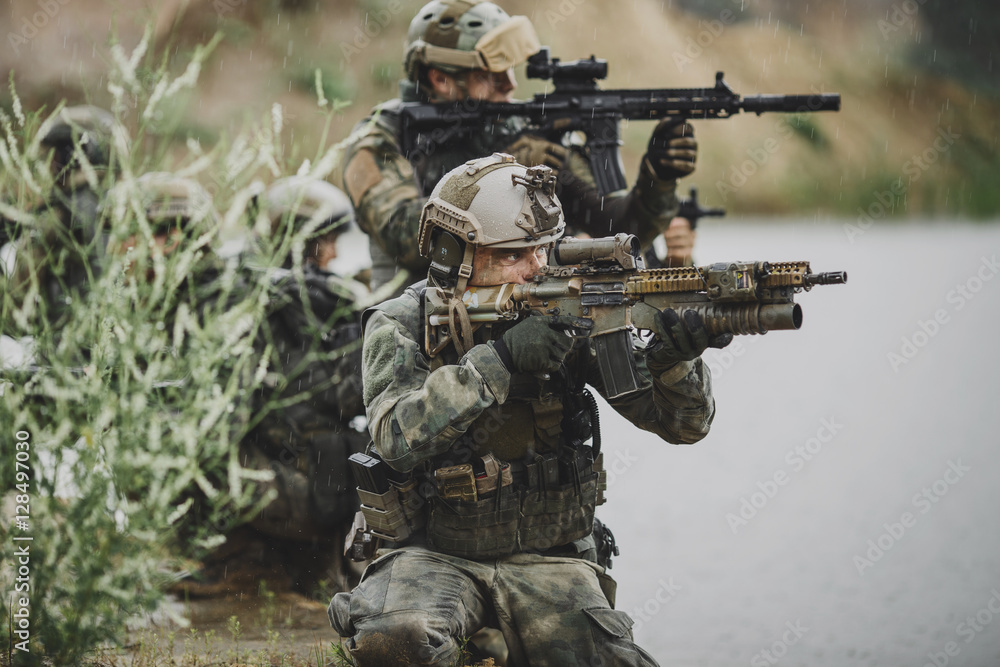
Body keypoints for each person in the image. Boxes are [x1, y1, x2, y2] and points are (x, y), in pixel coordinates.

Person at [328, 154, 730, 665]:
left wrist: (675, 361)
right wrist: (500, 360)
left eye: (542, 248)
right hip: (433, 551)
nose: (538, 267)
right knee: (395, 642)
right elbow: (394, 438)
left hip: (551, 555)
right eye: (516, 253)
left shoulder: (566, 310)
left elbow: (684, 425)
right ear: (458, 253)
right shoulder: (401, 322)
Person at [339, 0, 698, 293]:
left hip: (518, 326)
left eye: (509, 69)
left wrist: (658, 179)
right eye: (491, 74)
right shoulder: (379, 140)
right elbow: (408, 236)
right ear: (441, 78)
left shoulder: (515, 128)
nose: (510, 84)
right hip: (418, 325)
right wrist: (501, 172)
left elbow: (613, 227)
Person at [223, 177, 370, 594]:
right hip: (315, 490)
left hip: (303, 491)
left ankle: (247, 554)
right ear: (301, 244)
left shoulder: (246, 301)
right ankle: (258, 556)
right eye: (327, 242)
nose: (336, 253)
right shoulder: (333, 307)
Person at [8, 105, 128, 327]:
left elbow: (15, 305)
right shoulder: (126, 210)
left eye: (60, 155)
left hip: (65, 352)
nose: (52, 166)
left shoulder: (63, 216)